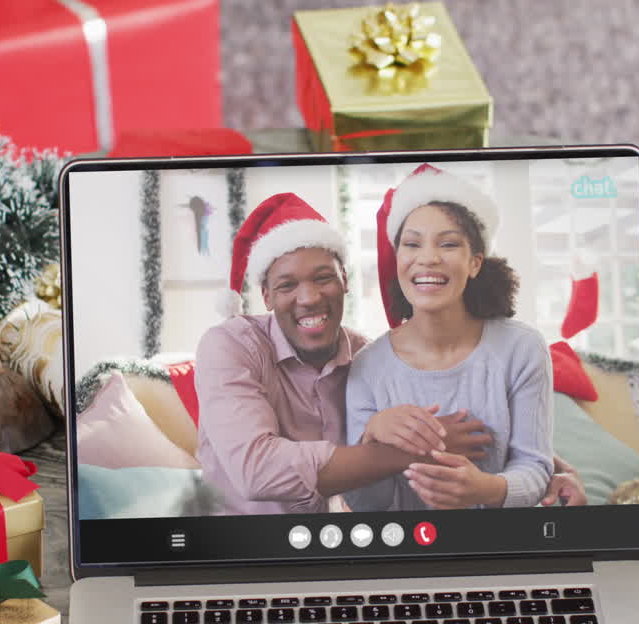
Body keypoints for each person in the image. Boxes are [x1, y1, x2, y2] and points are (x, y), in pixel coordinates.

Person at [194, 192, 494, 516]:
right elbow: (257, 470)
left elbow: (460, 420)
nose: (308, 298)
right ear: (266, 295)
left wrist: (549, 471)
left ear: (345, 280)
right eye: (286, 286)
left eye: (323, 278)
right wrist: (418, 450)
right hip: (237, 549)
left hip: (334, 545)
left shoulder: (370, 356)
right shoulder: (230, 345)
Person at [343, 163, 576, 511]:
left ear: (475, 263)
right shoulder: (367, 367)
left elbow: (535, 466)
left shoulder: (521, 349)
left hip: (499, 550)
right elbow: (365, 505)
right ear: (398, 259)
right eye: (412, 244)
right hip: (407, 553)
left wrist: (486, 489)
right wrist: (373, 437)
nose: (428, 258)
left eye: (448, 244)